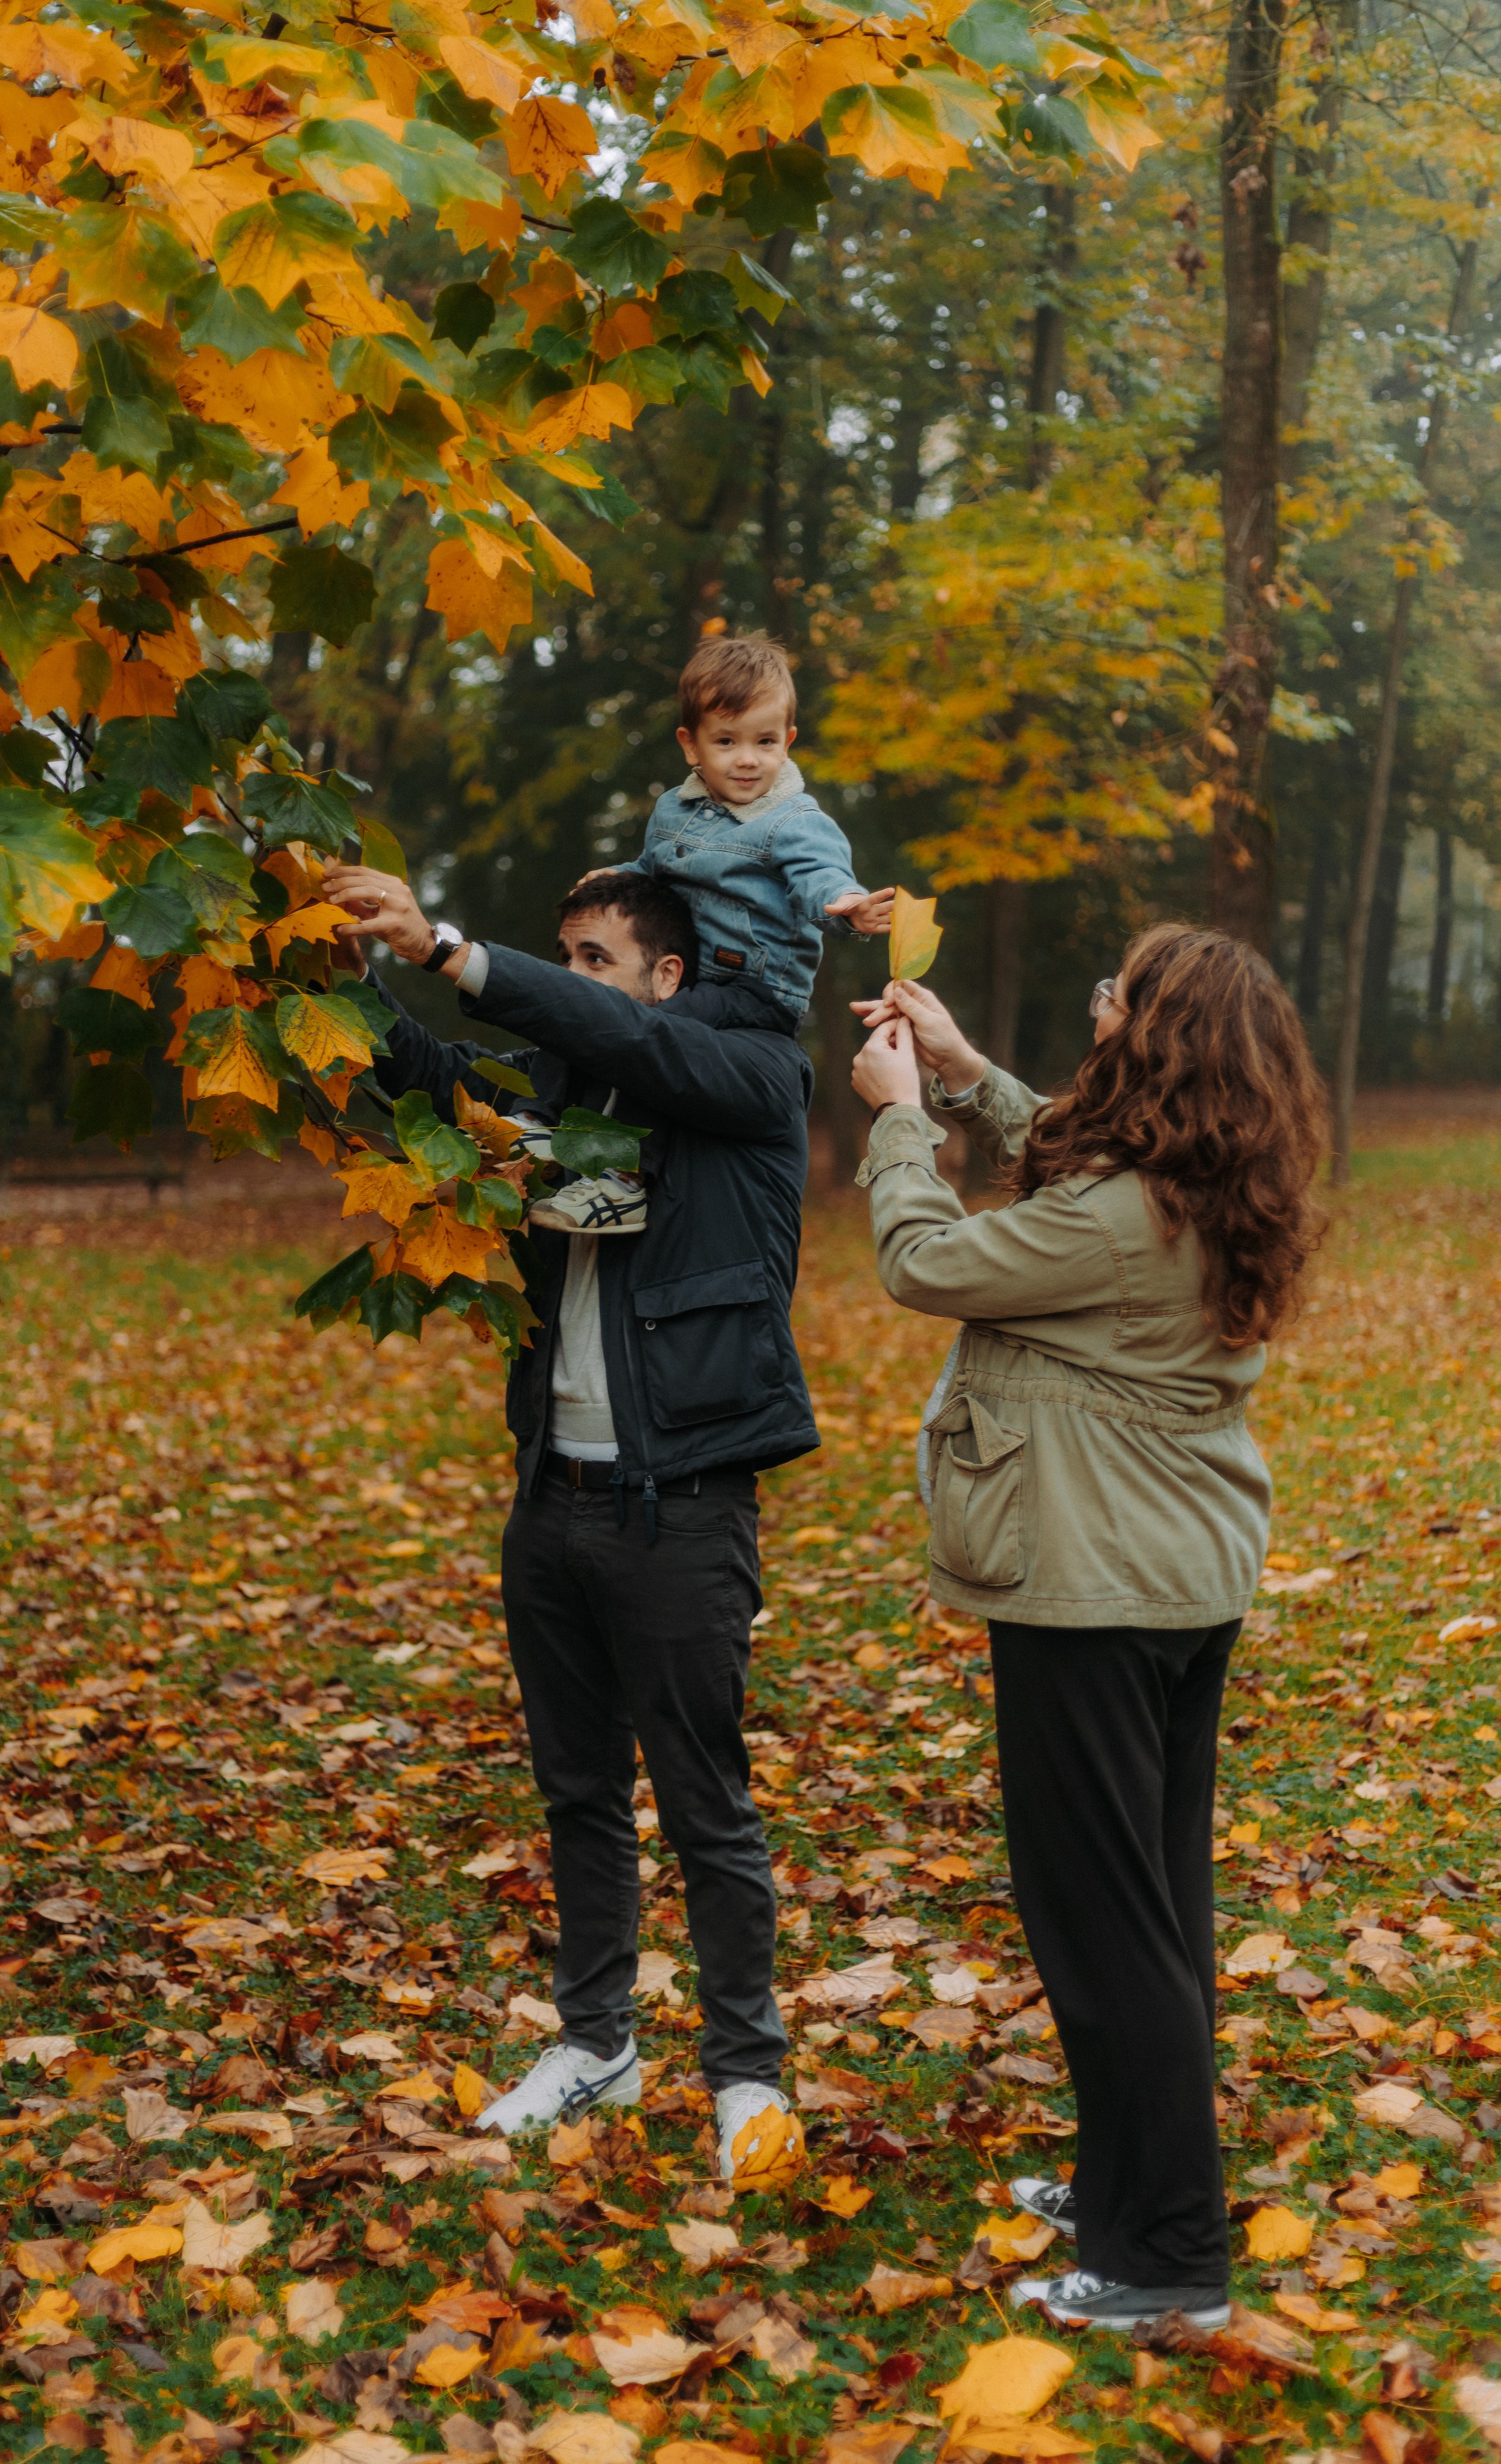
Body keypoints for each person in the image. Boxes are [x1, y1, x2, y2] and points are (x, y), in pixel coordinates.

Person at [850, 926, 1326, 2334]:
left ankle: (1165, 2252)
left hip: (1092, 1586)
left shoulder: (1122, 1217)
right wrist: (961, 1070)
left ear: (1161, 1041)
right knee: (1152, 1908)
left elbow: (927, 1263)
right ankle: (1128, 2184)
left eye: (1118, 990)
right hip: (1164, 1577)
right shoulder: (1194, 1179)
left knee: (1101, 1922)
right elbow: (1071, 1154)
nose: (1097, 999)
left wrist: (894, 1126)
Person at [319, 860, 815, 2184]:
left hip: (683, 1509)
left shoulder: (750, 1076)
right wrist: (341, 979)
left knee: (705, 1806)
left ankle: (745, 2075)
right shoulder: (562, 1101)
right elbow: (442, 1085)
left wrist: (456, 948)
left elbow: (629, 1041)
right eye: (565, 957)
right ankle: (594, 2044)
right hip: (552, 1500)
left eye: (597, 959)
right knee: (578, 1792)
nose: (576, 984)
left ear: (666, 975)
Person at [542, 634, 895, 1236]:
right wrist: (617, 875)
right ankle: (541, 1117)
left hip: (756, 992)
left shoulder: (794, 821)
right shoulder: (672, 812)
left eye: (763, 742)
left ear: (786, 742)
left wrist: (848, 906)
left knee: (651, 1034)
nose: (746, 760)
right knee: (588, 1009)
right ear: (691, 745)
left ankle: (625, 1180)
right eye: (725, 742)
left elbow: (820, 877)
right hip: (689, 977)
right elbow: (656, 872)